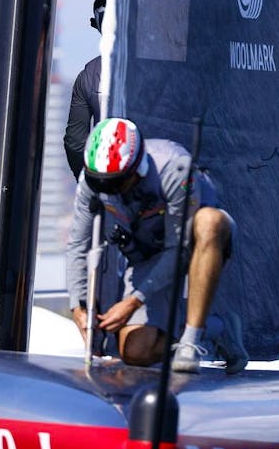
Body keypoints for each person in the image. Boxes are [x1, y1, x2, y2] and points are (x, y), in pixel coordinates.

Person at [67, 118, 248, 373]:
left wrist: (133, 301)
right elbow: (77, 244)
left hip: (194, 246)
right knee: (135, 352)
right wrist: (78, 305)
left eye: (117, 182)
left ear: (137, 169)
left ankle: (192, 338)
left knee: (209, 221)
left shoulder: (174, 168)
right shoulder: (94, 179)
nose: (110, 190)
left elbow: (179, 250)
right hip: (147, 256)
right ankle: (218, 327)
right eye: (102, 183)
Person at [63, 0, 106, 180]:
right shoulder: (164, 65)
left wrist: (89, 184)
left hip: (107, 180)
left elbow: (75, 143)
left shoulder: (89, 75)